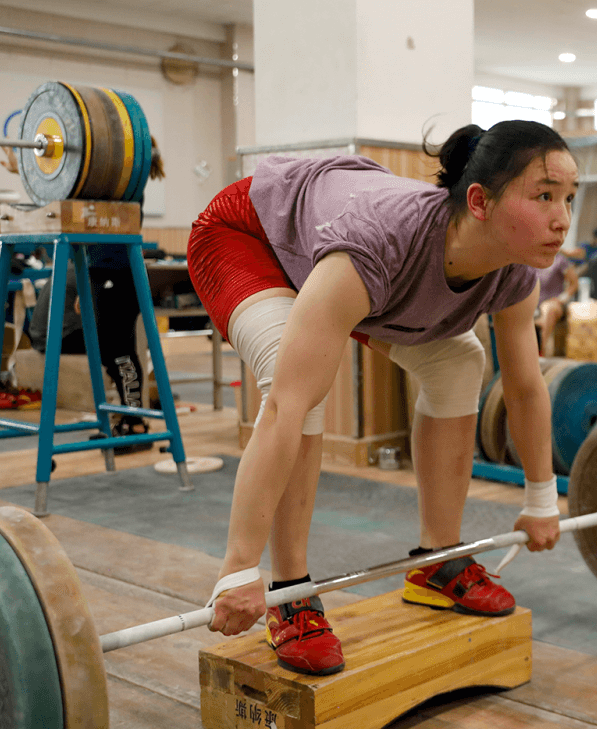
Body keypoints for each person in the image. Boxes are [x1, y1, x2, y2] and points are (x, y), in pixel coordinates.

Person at [187, 121, 566, 676]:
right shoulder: (380, 242)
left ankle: (438, 561)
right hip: (252, 235)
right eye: (544, 196)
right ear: (480, 202)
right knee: (302, 388)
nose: (562, 218)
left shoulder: (513, 274)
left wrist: (541, 498)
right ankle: (290, 594)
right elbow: (285, 408)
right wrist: (239, 567)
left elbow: (526, 387)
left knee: (460, 361)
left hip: (335, 247)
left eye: (567, 198)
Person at [26, 140, 166, 447]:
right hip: (99, 273)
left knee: (119, 352)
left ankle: (135, 423)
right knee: (110, 351)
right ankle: (127, 419)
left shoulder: (128, 179)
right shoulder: (110, 184)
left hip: (120, 275)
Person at [534, 251, 579, 356]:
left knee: (548, 309)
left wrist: (561, 299)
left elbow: (574, 283)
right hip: (533, 305)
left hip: (554, 304)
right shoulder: (531, 258)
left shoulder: (559, 259)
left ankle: (538, 351)